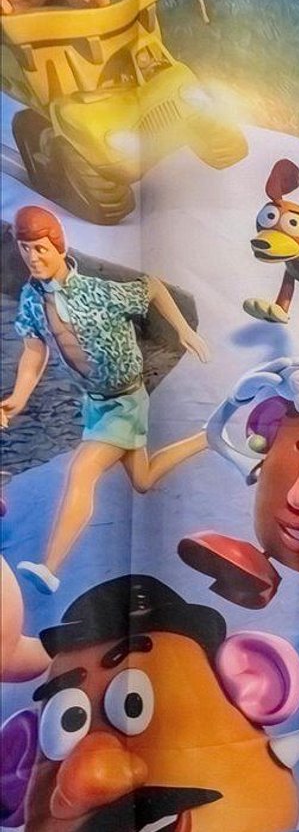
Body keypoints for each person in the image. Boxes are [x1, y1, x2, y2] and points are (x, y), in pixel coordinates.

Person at [0, 205, 210, 593]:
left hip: (125, 401)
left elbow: (151, 286)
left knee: (82, 471)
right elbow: (34, 350)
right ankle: (207, 437)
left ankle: (50, 567)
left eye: (40, 248)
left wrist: (183, 330)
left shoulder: (97, 291)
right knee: (143, 480)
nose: (32, 257)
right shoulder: (31, 297)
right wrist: (18, 397)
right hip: (95, 403)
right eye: (25, 249)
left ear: (59, 247)